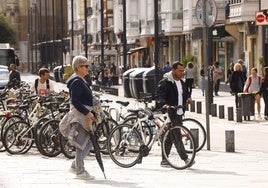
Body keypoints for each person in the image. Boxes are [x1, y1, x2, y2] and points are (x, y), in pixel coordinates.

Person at [156, 61, 194, 167]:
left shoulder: (182, 82)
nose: (182, 72)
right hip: (171, 111)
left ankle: (164, 160)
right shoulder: (166, 82)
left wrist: (188, 99)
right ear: (173, 70)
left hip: (179, 111)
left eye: (183, 70)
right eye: (180, 70)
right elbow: (160, 95)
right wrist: (164, 105)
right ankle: (186, 159)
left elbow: (185, 94)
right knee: (177, 136)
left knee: (169, 137)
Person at [66, 55, 96, 180]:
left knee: (88, 143)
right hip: (81, 117)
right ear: (79, 67)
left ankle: (75, 165)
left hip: (84, 116)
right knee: (82, 143)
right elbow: (75, 100)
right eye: (85, 66)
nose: (88, 68)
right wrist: (86, 112)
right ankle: (80, 171)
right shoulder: (77, 82)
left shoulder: (80, 80)